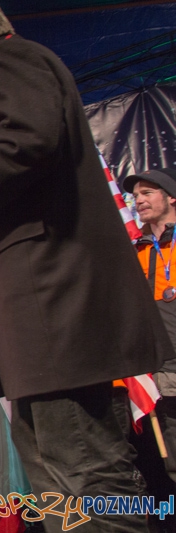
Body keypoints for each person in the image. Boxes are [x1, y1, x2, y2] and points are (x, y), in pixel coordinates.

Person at [0, 1, 173, 530]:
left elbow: (28, 140)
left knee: (85, 471)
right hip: (41, 315)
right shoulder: (15, 72)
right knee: (53, 476)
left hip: (57, 312)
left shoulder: (13, 61)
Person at [125, 168, 176, 481]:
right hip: (158, 373)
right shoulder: (135, 250)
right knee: (166, 464)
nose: (139, 200)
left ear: (171, 196)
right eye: (135, 196)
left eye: (147, 192)